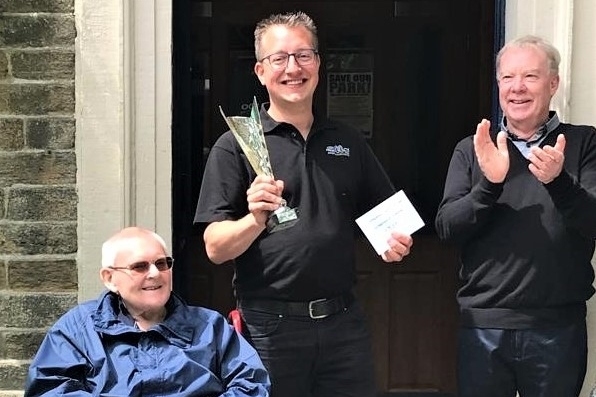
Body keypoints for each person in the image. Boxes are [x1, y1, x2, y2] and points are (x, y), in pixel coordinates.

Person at [194, 10, 414, 397]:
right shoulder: (236, 147)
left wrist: (396, 243)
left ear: (318, 64)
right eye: (279, 58)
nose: (292, 68)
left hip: (343, 323)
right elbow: (215, 248)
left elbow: (387, 219)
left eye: (303, 55)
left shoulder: (347, 140)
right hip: (268, 328)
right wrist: (255, 218)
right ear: (261, 72)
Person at [435, 35, 596, 397]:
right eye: (508, 78)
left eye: (531, 77)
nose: (517, 88)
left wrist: (559, 183)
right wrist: (489, 185)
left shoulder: (584, 143)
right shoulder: (474, 148)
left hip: (557, 328)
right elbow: (447, 228)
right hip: (484, 326)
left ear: (553, 83)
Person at [24, 226, 270, 397]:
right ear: (109, 278)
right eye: (139, 266)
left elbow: (251, 383)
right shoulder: (77, 330)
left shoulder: (210, 327)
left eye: (161, 263)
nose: (154, 273)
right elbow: (49, 388)